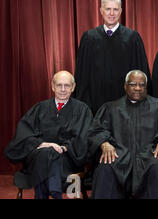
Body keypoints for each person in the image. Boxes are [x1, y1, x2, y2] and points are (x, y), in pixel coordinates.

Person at [88, 70, 158, 199]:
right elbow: (96, 130)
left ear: (146, 86)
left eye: (142, 85)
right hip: (119, 158)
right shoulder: (111, 108)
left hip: (150, 157)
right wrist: (104, 143)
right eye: (133, 84)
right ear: (125, 86)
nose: (138, 88)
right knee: (105, 168)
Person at [4, 71, 93, 199]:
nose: (63, 89)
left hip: (67, 158)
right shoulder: (40, 108)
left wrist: (62, 148)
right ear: (52, 86)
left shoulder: (82, 110)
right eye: (59, 85)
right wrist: (42, 144)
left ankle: (41, 195)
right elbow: (24, 135)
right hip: (38, 155)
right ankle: (56, 192)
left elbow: (83, 138)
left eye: (67, 86)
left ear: (73, 87)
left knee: (50, 154)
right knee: (46, 152)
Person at [74, 0, 151, 115]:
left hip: (124, 101)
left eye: (115, 9)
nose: (111, 13)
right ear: (101, 11)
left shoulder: (132, 37)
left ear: (120, 11)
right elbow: (82, 74)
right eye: (108, 9)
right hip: (95, 100)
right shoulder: (89, 38)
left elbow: (141, 71)